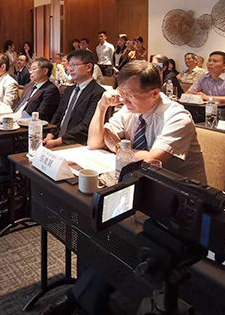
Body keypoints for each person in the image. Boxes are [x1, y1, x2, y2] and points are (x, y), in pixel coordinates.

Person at [45, 61, 207, 315]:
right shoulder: (132, 108)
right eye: (121, 94)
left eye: (130, 95)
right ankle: (87, 299)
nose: (123, 100)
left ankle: (80, 299)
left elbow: (150, 161)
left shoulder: (177, 117)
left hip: (178, 204)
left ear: (155, 93)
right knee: (92, 226)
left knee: (116, 237)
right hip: (141, 190)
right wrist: (102, 107)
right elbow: (94, 142)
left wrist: (120, 147)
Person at [43, 49, 105, 148]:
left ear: (89, 67)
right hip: (57, 139)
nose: (70, 69)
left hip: (77, 144)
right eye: (69, 65)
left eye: (74, 65)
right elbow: (58, 115)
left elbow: (86, 125)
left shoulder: (98, 93)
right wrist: (50, 135)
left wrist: (58, 142)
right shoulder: (69, 90)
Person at [13, 57, 61, 122]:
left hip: (31, 123)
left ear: (45, 71)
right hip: (16, 117)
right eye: (30, 69)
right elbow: (20, 105)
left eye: (34, 69)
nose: (30, 72)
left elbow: (42, 114)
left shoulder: (50, 90)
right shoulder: (28, 86)